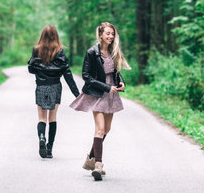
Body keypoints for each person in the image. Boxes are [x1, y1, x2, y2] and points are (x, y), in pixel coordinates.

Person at [70, 22, 131, 181]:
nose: (110, 36)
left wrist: (121, 82)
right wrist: (105, 87)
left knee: (107, 129)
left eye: (112, 34)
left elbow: (116, 72)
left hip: (111, 93)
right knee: (100, 128)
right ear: (101, 35)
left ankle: (90, 157)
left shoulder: (114, 51)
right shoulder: (92, 52)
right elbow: (86, 76)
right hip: (97, 93)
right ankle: (98, 165)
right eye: (108, 33)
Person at [28, 25, 80, 159]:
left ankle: (41, 137)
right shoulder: (60, 51)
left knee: (41, 118)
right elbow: (67, 74)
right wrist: (77, 94)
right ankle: (49, 149)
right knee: (52, 117)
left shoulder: (36, 50)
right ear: (56, 36)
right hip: (55, 86)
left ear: (42, 35)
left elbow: (31, 69)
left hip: (41, 86)